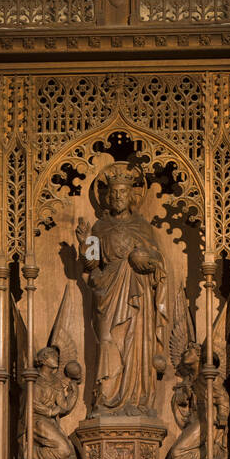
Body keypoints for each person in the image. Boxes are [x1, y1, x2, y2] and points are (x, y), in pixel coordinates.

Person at [76, 162, 169, 417]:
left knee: (134, 345)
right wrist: (85, 244)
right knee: (107, 341)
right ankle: (105, 399)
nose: (117, 196)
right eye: (113, 192)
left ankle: (136, 399)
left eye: (122, 192)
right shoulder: (99, 227)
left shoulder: (142, 227)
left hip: (137, 292)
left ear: (131, 197)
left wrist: (145, 259)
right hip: (107, 290)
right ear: (106, 197)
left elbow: (157, 261)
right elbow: (92, 263)